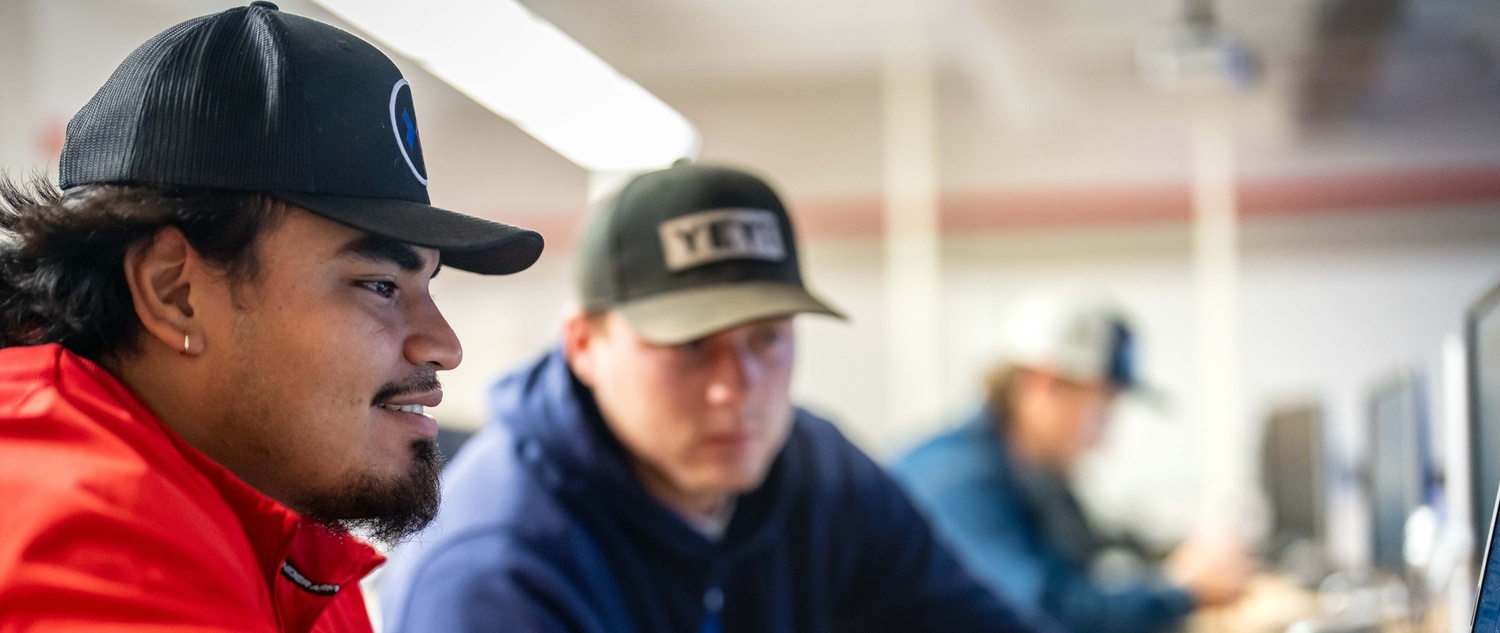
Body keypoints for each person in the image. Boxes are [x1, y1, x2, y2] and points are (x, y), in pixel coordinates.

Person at [0, 3, 543, 631]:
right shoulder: (86, 535)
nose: (444, 346)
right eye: (379, 285)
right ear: (174, 290)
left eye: (428, 284)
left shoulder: (289, 533)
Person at [377, 162, 1047, 633]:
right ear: (584, 343)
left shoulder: (819, 470)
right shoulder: (496, 570)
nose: (736, 389)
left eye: (767, 338)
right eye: (690, 345)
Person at [891, 288, 1257, 633]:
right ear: (1044, 385)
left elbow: (1095, 551)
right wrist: (1183, 593)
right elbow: (1044, 613)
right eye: (1102, 410)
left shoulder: (1032, 474)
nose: (1104, 438)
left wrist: (1180, 554)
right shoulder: (958, 480)